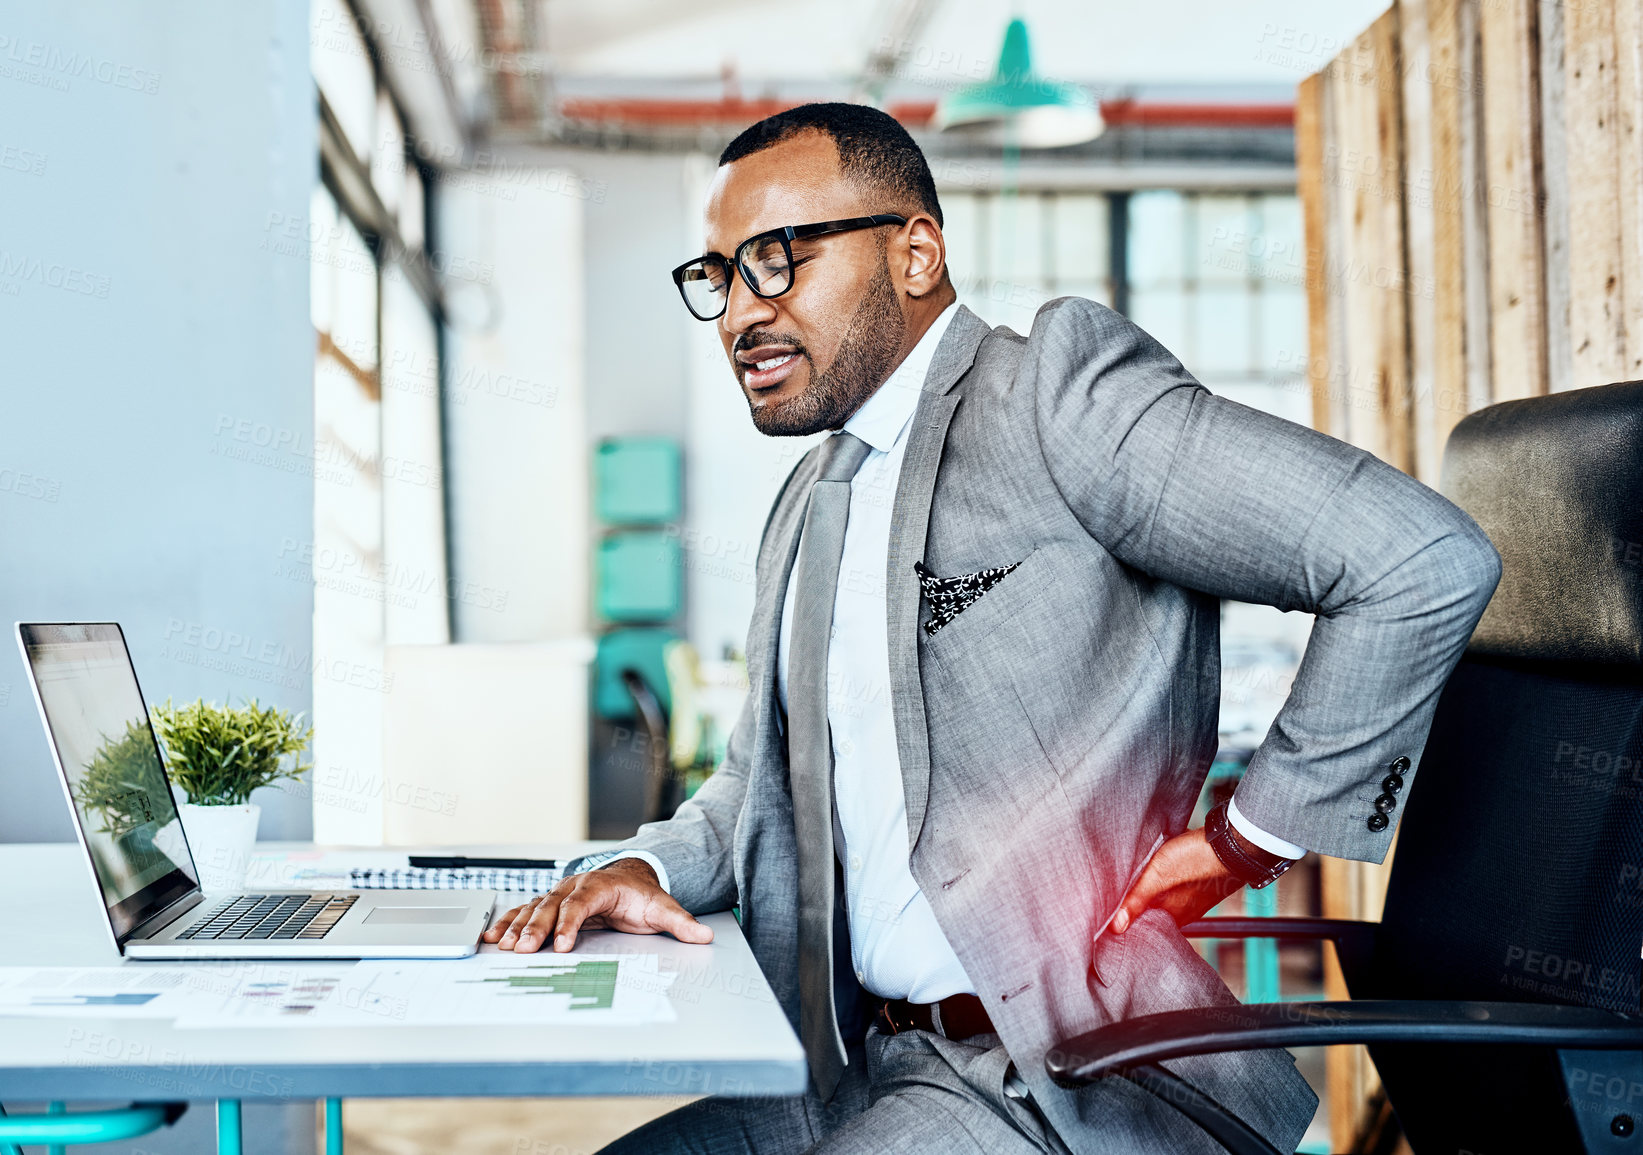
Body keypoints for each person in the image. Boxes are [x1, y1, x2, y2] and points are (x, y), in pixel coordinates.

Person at [487, 103, 1500, 1154]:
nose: (743, 311)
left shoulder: (1056, 400)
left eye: (778, 259)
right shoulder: (809, 498)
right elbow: (762, 778)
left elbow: (1416, 558)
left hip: (1049, 1082)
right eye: (721, 276)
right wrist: (641, 870)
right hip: (849, 1061)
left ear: (916, 251)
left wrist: (1249, 839)